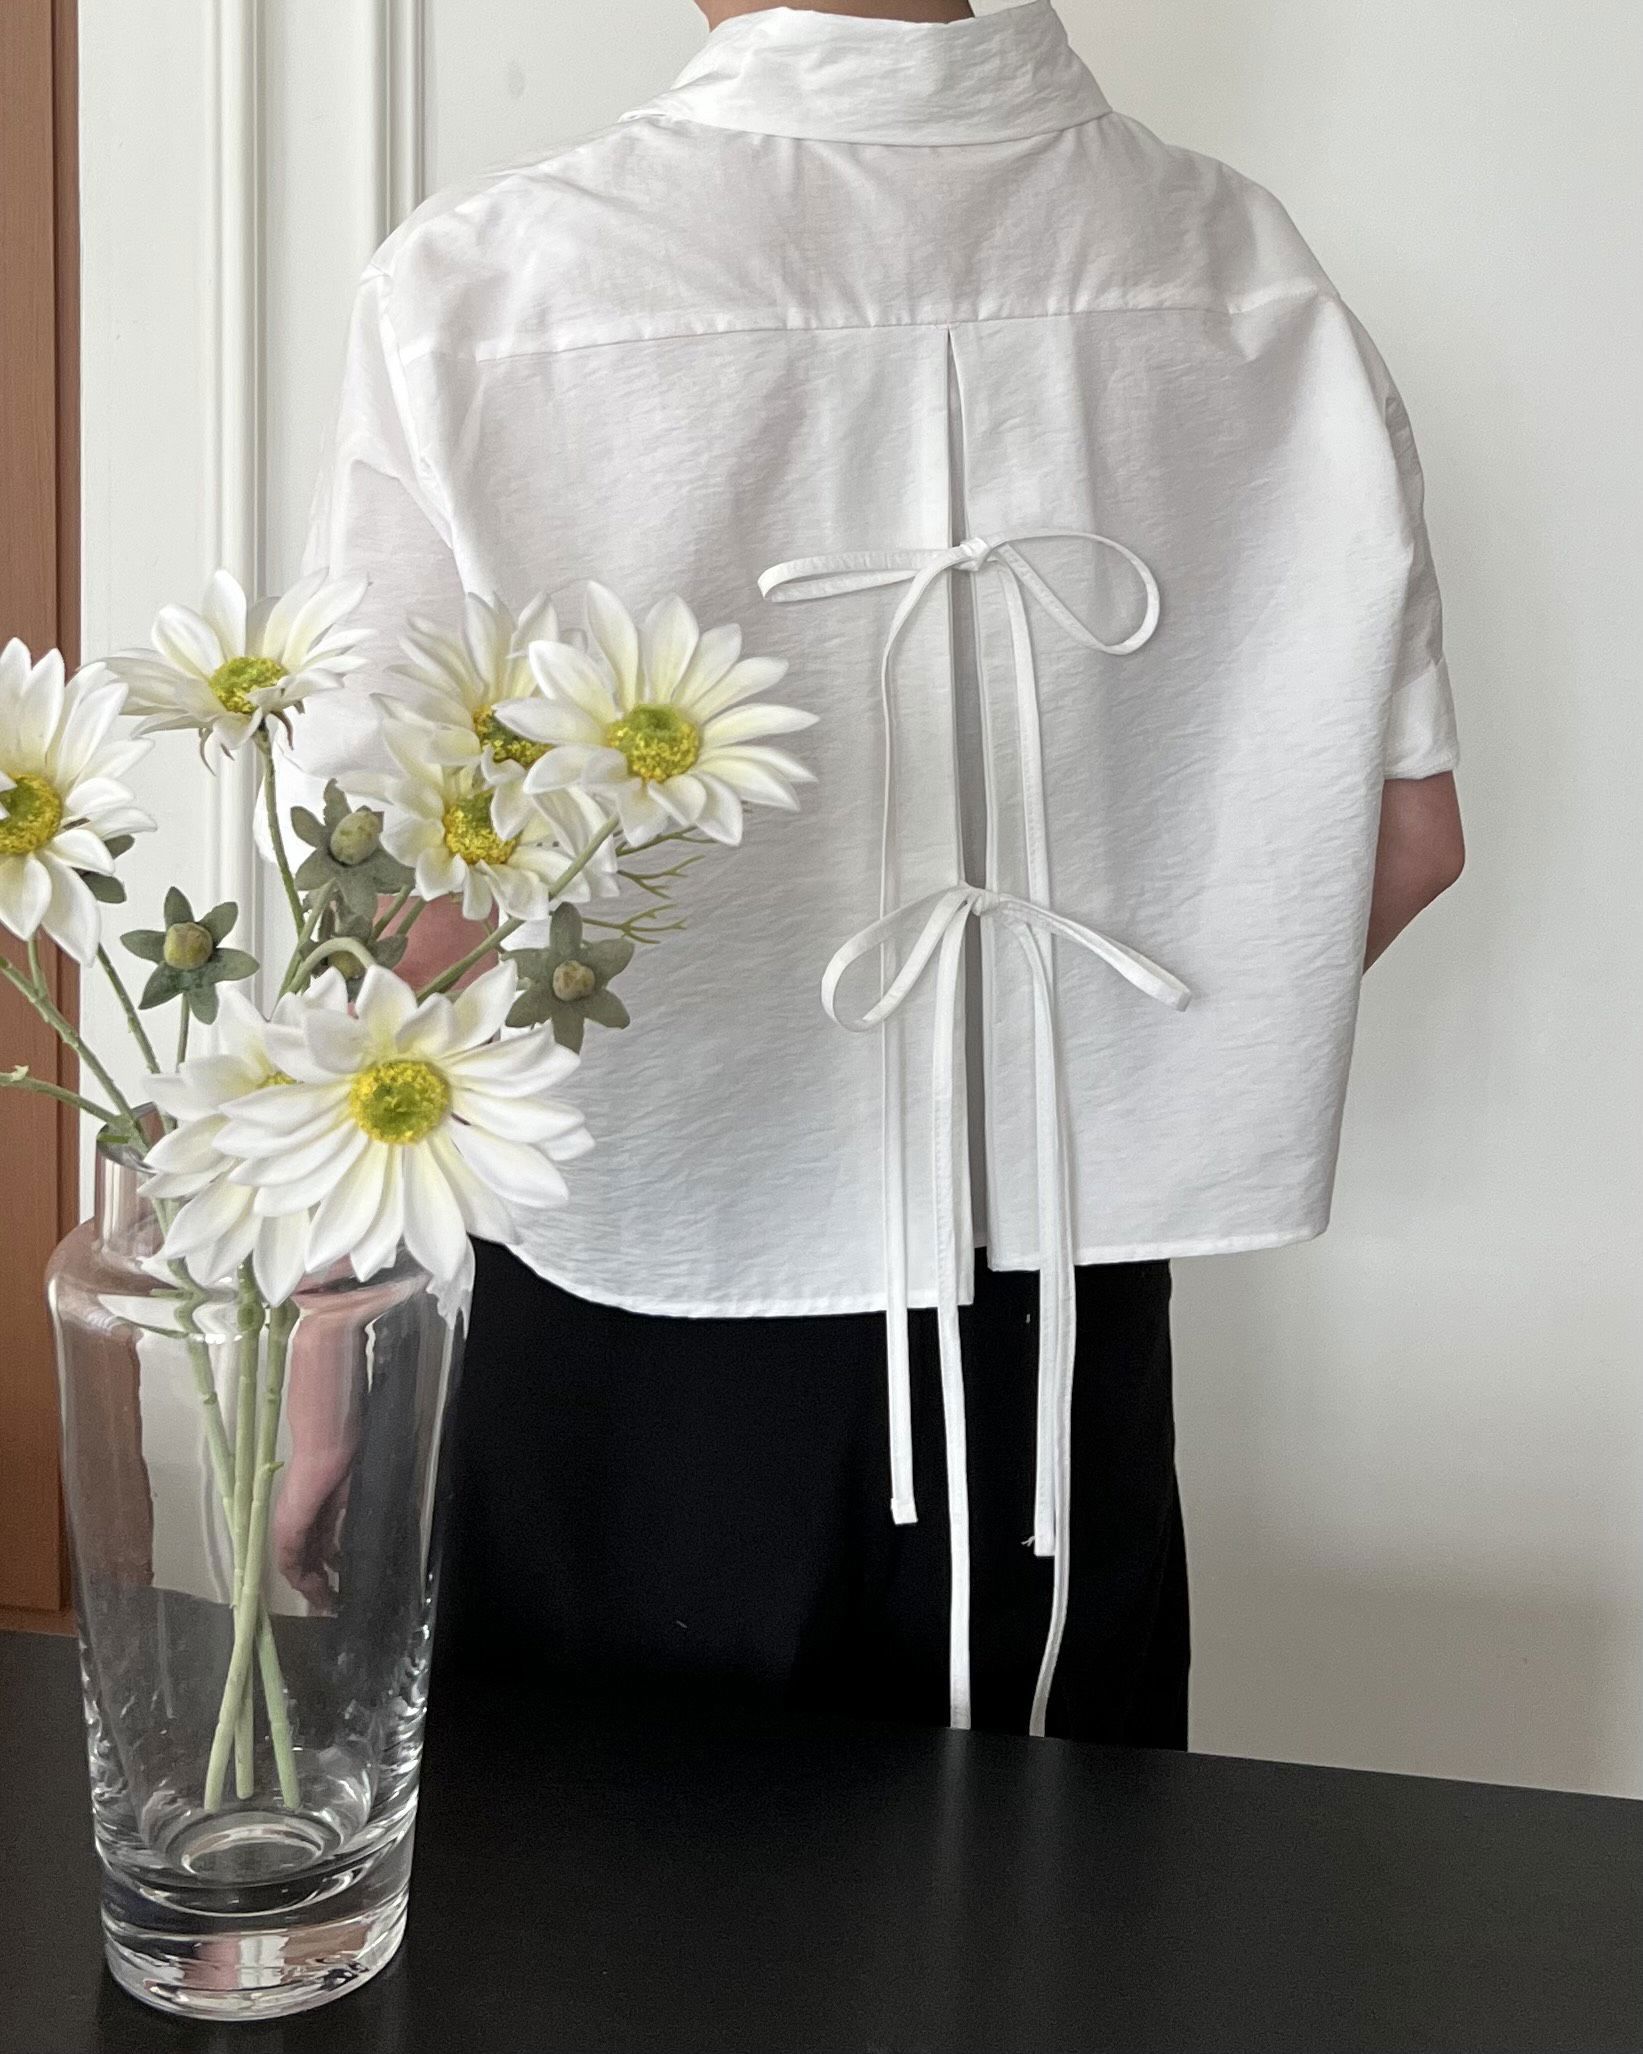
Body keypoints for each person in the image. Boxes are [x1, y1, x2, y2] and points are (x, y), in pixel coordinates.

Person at [279, 0, 1463, 1746]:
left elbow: (399, 911)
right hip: (1060, 1337)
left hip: (625, 1319)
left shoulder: (487, 292)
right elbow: (1408, 836)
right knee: (1051, 1887)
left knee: (599, 1899)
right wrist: (1078, 1092)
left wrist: (333, 1340)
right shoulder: (1249, 270)